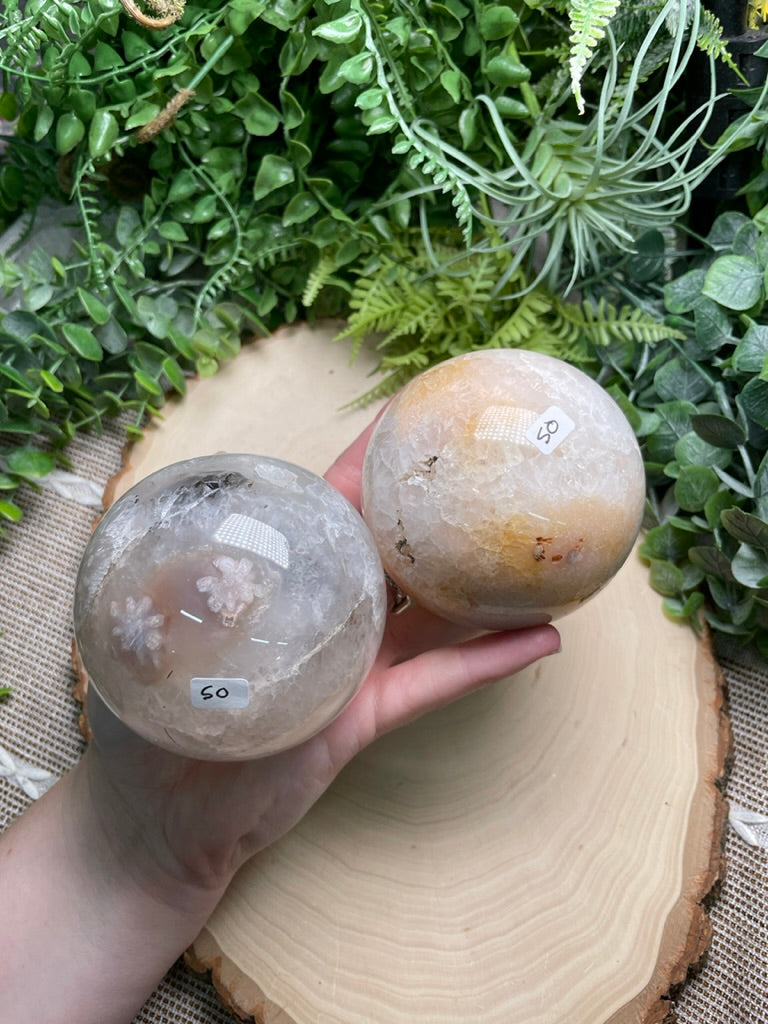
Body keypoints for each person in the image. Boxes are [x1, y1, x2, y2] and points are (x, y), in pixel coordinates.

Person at [0, 418, 561, 1024]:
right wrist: (139, 844)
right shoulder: (186, 644)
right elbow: (221, 688)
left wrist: (146, 855)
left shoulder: (302, 590)